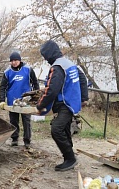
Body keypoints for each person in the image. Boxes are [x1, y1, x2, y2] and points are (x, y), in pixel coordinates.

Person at [36, 40, 88, 171]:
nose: (45, 59)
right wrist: (83, 98)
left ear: (49, 54)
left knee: (56, 129)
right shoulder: (69, 63)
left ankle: (70, 159)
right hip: (72, 103)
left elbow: (52, 90)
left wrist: (40, 105)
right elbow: (83, 79)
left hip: (65, 103)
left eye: (45, 55)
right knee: (64, 129)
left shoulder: (57, 67)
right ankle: (69, 157)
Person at [0, 52, 40, 149]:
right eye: (12, 61)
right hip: (12, 100)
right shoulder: (7, 72)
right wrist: (2, 100)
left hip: (26, 100)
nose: (14, 62)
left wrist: (37, 96)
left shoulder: (28, 69)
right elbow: (3, 87)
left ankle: (27, 140)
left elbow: (35, 83)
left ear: (20, 60)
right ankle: (14, 139)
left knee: (26, 121)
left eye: (16, 60)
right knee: (13, 120)